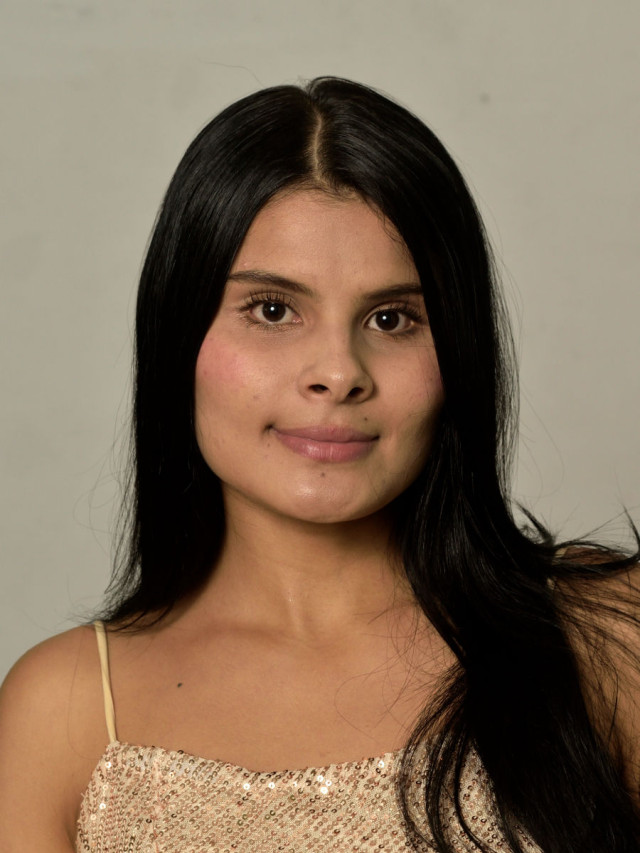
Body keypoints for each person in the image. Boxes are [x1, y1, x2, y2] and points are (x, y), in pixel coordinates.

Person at [0, 77, 638, 853]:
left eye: (392, 318)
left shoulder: (603, 638)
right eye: (272, 310)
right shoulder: (62, 713)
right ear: (177, 336)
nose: (338, 372)